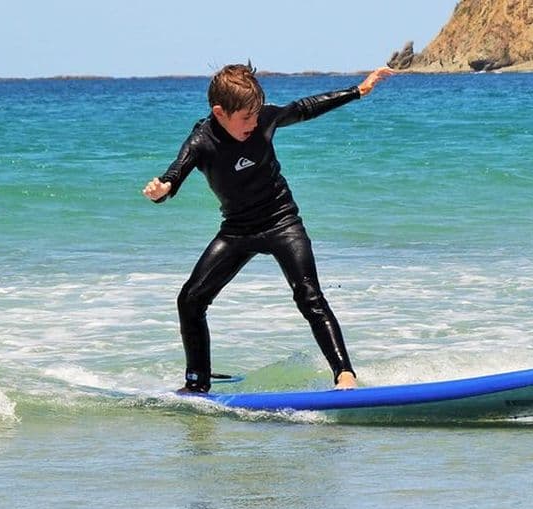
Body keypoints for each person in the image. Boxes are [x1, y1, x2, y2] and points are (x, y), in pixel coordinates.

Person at [143, 64, 393, 393]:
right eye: (245, 117)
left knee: (309, 296)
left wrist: (357, 91)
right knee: (190, 300)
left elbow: (304, 108)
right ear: (220, 112)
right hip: (238, 230)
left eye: (256, 114)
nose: (253, 123)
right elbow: (177, 171)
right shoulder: (202, 140)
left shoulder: (263, 118)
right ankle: (197, 384)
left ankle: (344, 374)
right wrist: (163, 190)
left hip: (282, 221)